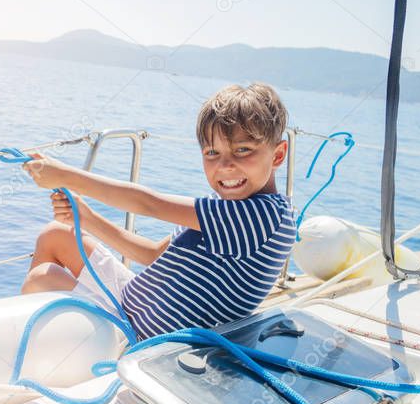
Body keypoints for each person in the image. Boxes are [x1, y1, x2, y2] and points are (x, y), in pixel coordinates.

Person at [20, 82, 296, 340]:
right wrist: (87, 218)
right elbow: (151, 255)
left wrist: (65, 176)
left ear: (278, 155)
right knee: (55, 235)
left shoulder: (262, 218)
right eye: (212, 153)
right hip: (131, 304)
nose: (225, 166)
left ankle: (30, 348)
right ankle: (39, 340)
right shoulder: (228, 206)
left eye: (243, 150)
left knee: (42, 278)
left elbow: (148, 203)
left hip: (139, 336)